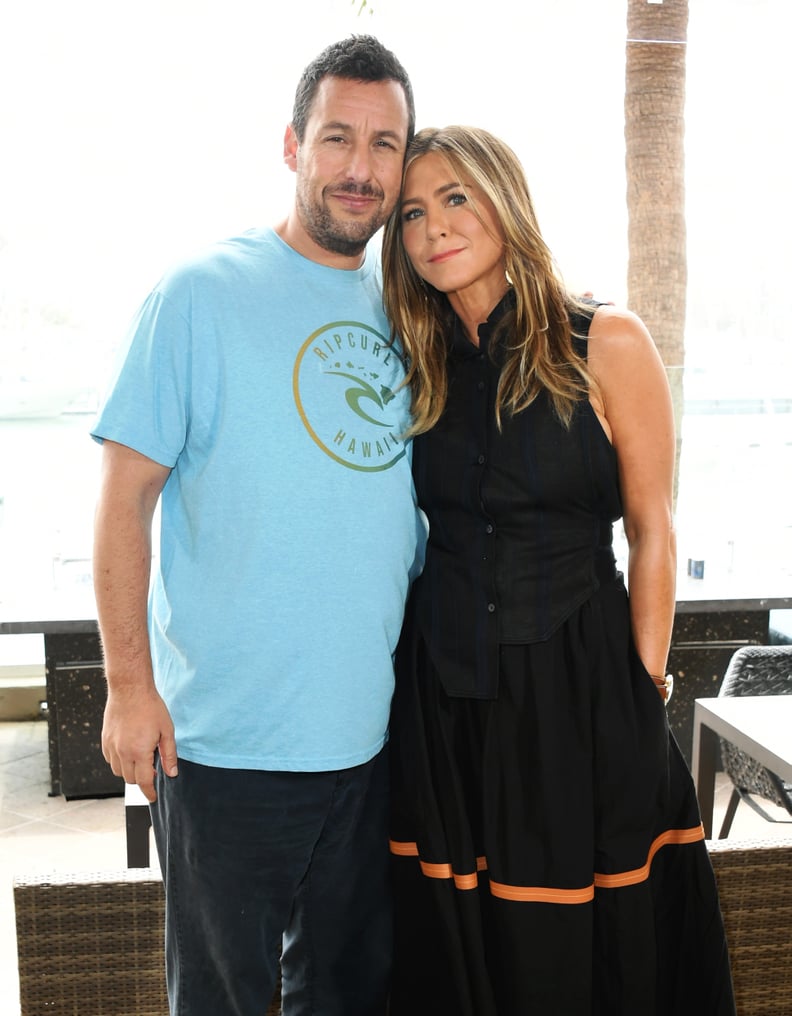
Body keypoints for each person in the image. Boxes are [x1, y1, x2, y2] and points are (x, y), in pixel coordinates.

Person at [91, 36, 426, 1016]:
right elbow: (122, 500)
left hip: (367, 747)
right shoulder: (198, 293)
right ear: (291, 146)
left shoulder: (406, 315)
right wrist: (125, 687)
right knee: (223, 1000)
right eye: (337, 138)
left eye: (385, 144)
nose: (361, 168)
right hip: (221, 749)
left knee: (349, 994)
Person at [381, 126, 736, 1015]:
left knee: (595, 943)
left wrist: (641, 682)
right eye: (413, 212)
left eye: (456, 197)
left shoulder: (605, 341)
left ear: (506, 198)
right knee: (466, 946)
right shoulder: (415, 363)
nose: (434, 228)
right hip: (444, 697)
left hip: (583, 689)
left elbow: (653, 530)